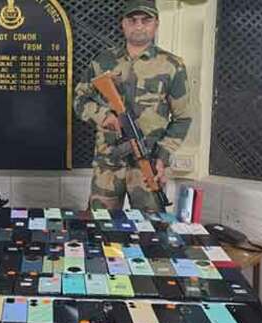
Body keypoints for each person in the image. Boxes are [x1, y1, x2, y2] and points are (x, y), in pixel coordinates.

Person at [74, 0, 192, 211]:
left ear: (156, 24)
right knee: (101, 224)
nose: (139, 26)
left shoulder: (172, 65)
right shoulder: (103, 61)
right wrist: (104, 115)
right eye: (132, 20)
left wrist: (162, 157)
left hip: (148, 162)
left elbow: (183, 118)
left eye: (146, 20)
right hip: (108, 164)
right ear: (123, 24)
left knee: (151, 225)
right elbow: (79, 99)